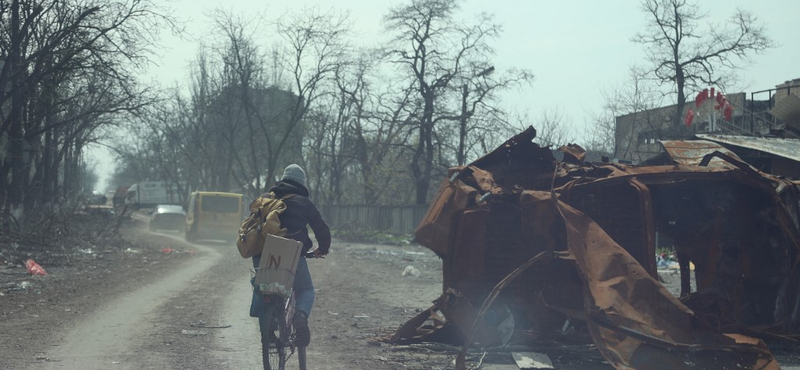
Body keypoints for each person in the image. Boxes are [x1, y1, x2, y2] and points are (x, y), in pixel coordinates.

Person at [250, 164, 331, 347]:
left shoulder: (265, 199)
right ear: (301, 183)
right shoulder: (304, 202)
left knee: (263, 287)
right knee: (305, 290)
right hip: (291, 252)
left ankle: (268, 330)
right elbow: (321, 229)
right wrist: (322, 248)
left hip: (263, 253)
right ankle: (300, 316)